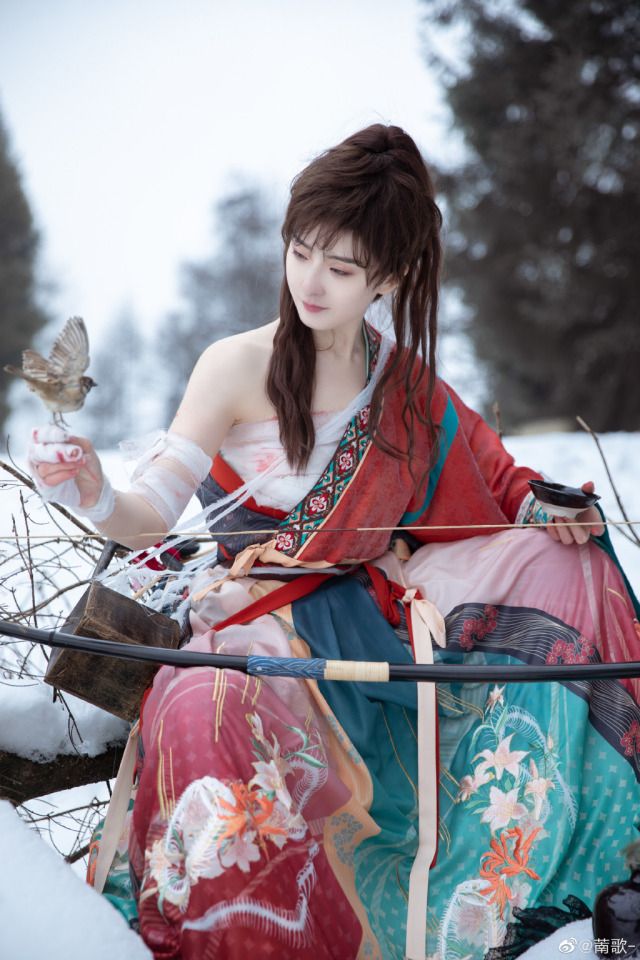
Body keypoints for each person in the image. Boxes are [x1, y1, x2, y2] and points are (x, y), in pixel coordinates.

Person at [28, 124, 640, 960]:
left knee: (565, 562)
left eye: (342, 268)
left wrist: (545, 508)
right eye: (302, 250)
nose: (311, 280)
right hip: (260, 614)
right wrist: (96, 491)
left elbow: (495, 483)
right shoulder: (235, 365)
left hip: (379, 609)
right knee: (204, 707)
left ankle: (568, 877)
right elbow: (153, 507)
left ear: (385, 278)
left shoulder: (404, 382)